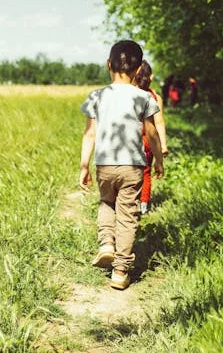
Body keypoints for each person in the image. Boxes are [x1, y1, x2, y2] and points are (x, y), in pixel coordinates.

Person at [79, 40, 164, 290]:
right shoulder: (143, 97)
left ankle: (106, 243)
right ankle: (120, 270)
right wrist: (158, 160)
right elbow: (151, 133)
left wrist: (84, 165)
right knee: (128, 215)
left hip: (105, 164)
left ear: (108, 65)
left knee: (107, 202)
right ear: (139, 70)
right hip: (133, 167)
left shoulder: (97, 96)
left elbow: (89, 134)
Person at [132, 61, 168, 215]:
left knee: (130, 171)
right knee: (146, 173)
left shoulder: (129, 93)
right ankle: (144, 205)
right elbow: (159, 122)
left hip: (130, 140)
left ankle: (128, 203)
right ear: (151, 76)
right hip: (148, 141)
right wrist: (163, 145)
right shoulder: (154, 96)